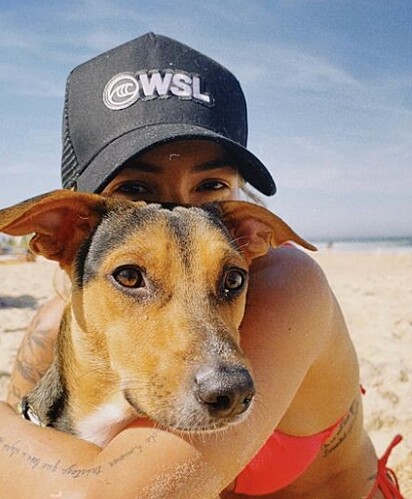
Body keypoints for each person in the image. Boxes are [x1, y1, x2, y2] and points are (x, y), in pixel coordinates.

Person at [0, 33, 404, 498]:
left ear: (248, 216)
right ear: (68, 220)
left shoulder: (289, 283)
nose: (181, 215)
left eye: (211, 184)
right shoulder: (57, 323)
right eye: (135, 189)